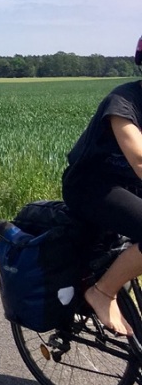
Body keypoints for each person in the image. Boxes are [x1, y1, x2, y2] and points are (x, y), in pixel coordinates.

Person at [61, 35, 142, 337]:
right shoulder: (123, 103)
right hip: (92, 186)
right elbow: (141, 162)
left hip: (130, 187)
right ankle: (103, 292)